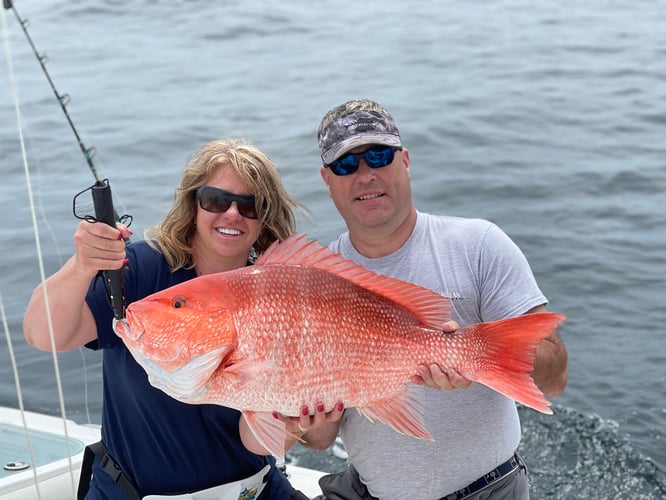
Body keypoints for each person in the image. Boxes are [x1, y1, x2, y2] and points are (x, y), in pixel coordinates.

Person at [298, 99, 568, 500]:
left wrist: (475, 357)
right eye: (346, 165)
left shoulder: (478, 244)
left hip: (489, 489)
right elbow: (321, 440)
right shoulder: (315, 282)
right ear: (327, 179)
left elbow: (556, 378)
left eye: (377, 156)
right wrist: (306, 417)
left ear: (405, 161)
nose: (365, 175)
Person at [23, 138, 307, 499]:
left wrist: (298, 420)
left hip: (253, 491)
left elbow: (259, 438)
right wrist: (82, 265)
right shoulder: (141, 272)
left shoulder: (276, 298)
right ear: (193, 204)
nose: (232, 214)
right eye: (216, 200)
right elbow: (42, 333)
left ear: (264, 218)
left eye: (250, 206)